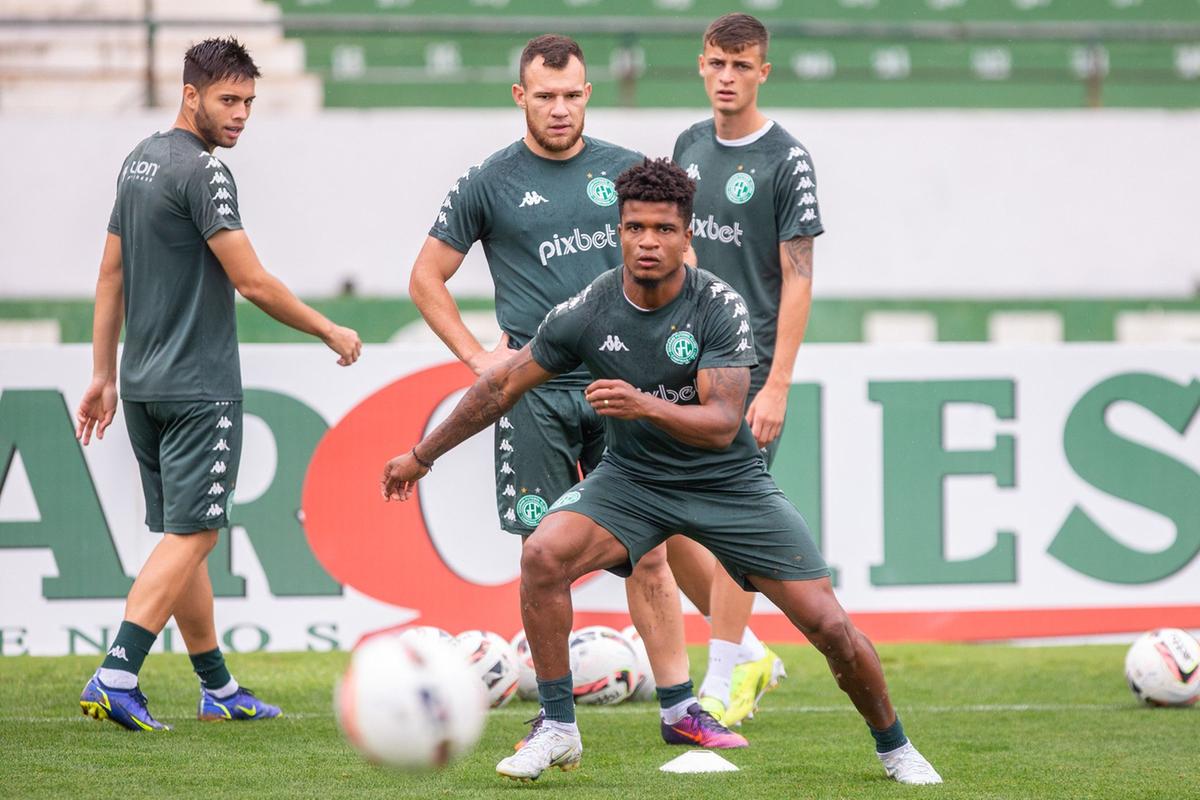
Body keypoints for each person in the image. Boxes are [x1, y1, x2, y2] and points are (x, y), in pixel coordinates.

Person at [382, 158, 942, 786]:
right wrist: (422, 455)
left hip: (728, 486)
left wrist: (640, 403)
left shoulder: (717, 307)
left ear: (686, 235)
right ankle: (559, 728)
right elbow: (501, 387)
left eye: (663, 230)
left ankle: (894, 746)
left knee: (830, 627)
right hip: (633, 482)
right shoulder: (588, 309)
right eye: (634, 228)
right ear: (619, 229)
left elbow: (724, 422)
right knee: (543, 554)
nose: (647, 241)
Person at [409, 34, 743, 749]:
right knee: (543, 554)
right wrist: (477, 358)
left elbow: (686, 259)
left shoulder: (627, 172)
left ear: (587, 94)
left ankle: (681, 707)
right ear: (519, 96)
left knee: (649, 549)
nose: (559, 109)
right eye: (545, 96)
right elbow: (424, 278)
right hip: (534, 392)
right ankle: (556, 718)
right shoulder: (487, 181)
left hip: (627, 385)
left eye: (571, 95)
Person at [75, 37, 362, 731]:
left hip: (144, 386)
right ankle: (117, 672)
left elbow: (109, 273)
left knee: (184, 537)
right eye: (228, 100)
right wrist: (329, 329)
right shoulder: (204, 173)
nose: (240, 115)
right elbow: (252, 280)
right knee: (196, 537)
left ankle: (217, 688)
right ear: (191, 94)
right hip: (198, 388)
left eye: (249, 103)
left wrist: (102, 373)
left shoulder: (138, 159)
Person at [667, 12, 825, 727]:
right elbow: (679, 248)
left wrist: (778, 382)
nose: (726, 77)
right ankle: (752, 652)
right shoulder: (688, 145)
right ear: (701, 65)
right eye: (715, 64)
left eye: (741, 66)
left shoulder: (786, 159)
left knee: (732, 522)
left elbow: (798, 276)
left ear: (763, 72)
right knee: (663, 527)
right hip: (682, 364)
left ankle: (724, 678)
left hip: (748, 372)